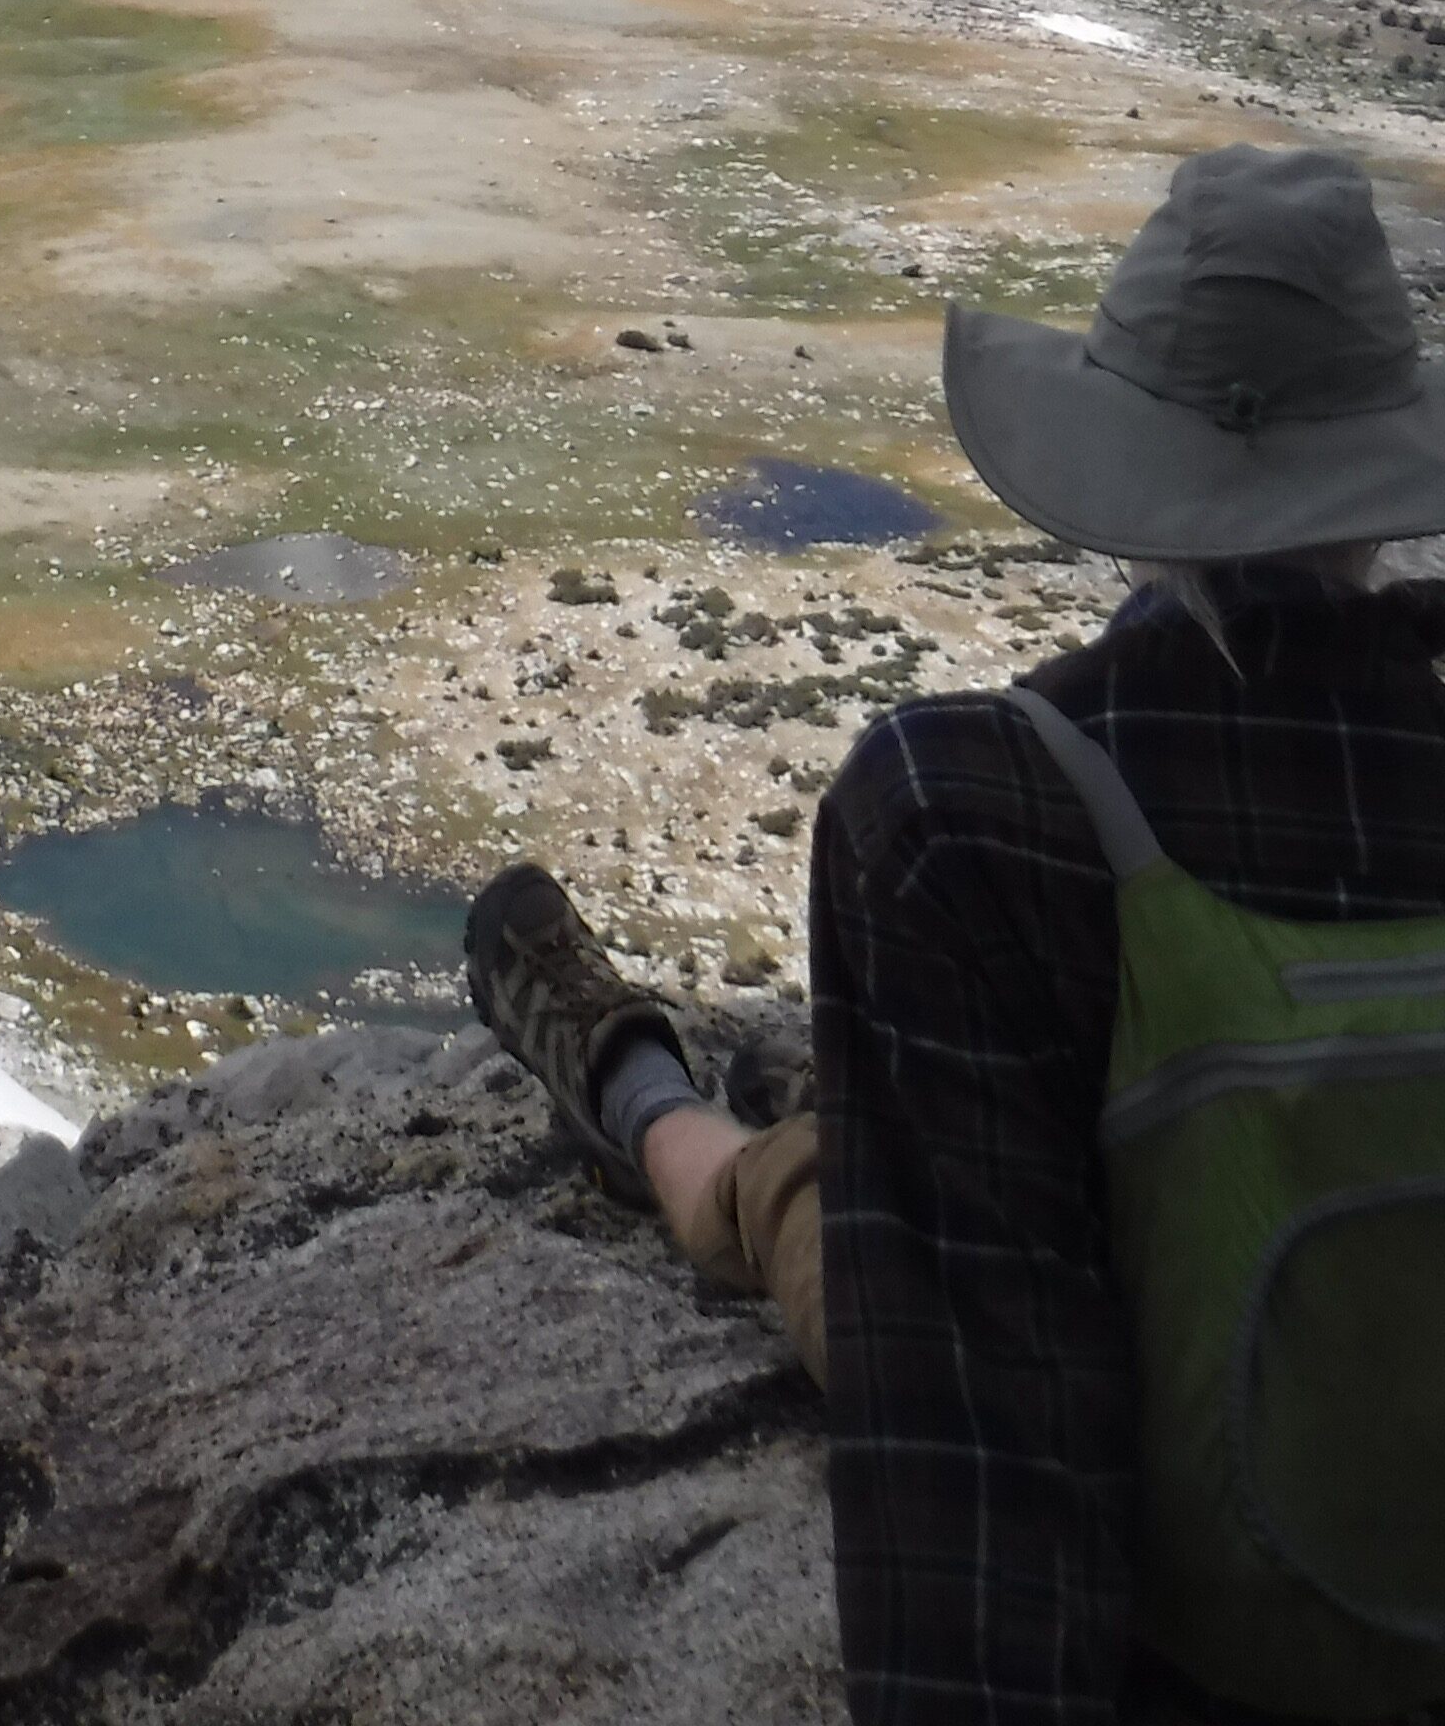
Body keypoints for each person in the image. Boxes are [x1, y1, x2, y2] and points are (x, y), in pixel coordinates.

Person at [465, 145, 1445, 1725]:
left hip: (1189, 1583)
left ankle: (640, 1092)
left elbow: (984, 1479)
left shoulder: (972, 815)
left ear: (1128, 475)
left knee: (817, 1201)